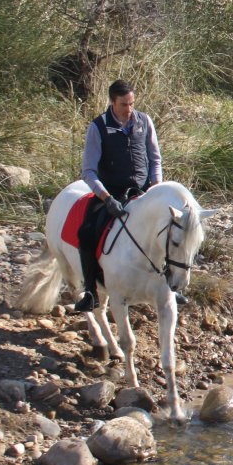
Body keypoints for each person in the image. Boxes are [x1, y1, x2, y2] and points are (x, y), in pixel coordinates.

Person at [74, 79, 164, 312]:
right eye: (124, 104)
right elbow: (89, 171)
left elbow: (155, 159)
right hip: (111, 195)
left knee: (171, 229)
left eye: (132, 103)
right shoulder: (98, 127)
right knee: (86, 232)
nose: (129, 109)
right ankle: (90, 292)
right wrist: (105, 198)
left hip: (144, 192)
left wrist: (156, 188)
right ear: (112, 102)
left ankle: (173, 287)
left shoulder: (145, 122)